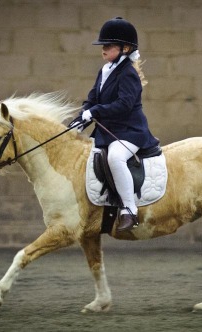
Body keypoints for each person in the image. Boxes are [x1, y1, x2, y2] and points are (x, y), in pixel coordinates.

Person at [81, 17, 159, 232]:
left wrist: (95, 112)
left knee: (115, 158)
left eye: (108, 46)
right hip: (109, 131)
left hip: (130, 132)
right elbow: (92, 98)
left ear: (125, 48)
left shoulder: (128, 74)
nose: (103, 50)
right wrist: (81, 118)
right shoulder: (105, 70)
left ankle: (129, 210)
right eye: (102, 46)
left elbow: (124, 105)